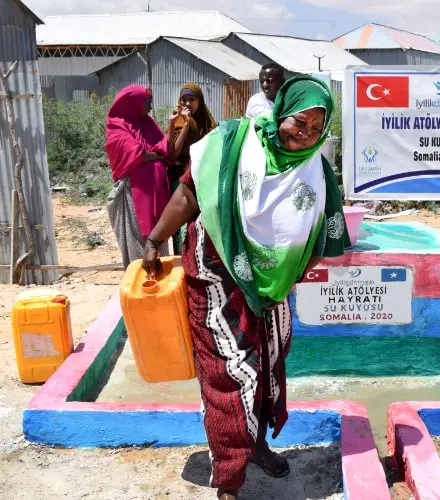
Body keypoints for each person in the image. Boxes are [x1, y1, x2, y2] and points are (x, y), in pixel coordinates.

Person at [141, 75, 350, 500]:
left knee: (267, 366)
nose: (304, 135)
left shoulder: (318, 170)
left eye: (315, 128)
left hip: (273, 289)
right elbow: (189, 193)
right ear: (281, 114)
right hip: (218, 273)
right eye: (298, 122)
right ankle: (229, 480)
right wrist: (154, 238)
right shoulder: (233, 142)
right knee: (227, 374)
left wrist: (286, 278)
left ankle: (255, 446)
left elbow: (326, 238)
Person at [105, 85, 172, 267]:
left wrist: (172, 126)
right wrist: (157, 155)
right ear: (133, 104)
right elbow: (137, 154)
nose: (150, 108)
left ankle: (160, 285)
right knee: (139, 238)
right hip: (134, 195)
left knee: (158, 234)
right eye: (147, 103)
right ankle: (140, 285)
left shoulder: (147, 123)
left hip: (156, 195)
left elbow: (164, 145)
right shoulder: (117, 128)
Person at [167, 84, 217, 254]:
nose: (187, 103)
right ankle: (181, 262)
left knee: (201, 226)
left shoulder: (209, 124)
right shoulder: (177, 123)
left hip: (202, 181)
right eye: (184, 99)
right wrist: (187, 124)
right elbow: (172, 152)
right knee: (180, 226)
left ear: (200, 101)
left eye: (192, 99)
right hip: (180, 181)